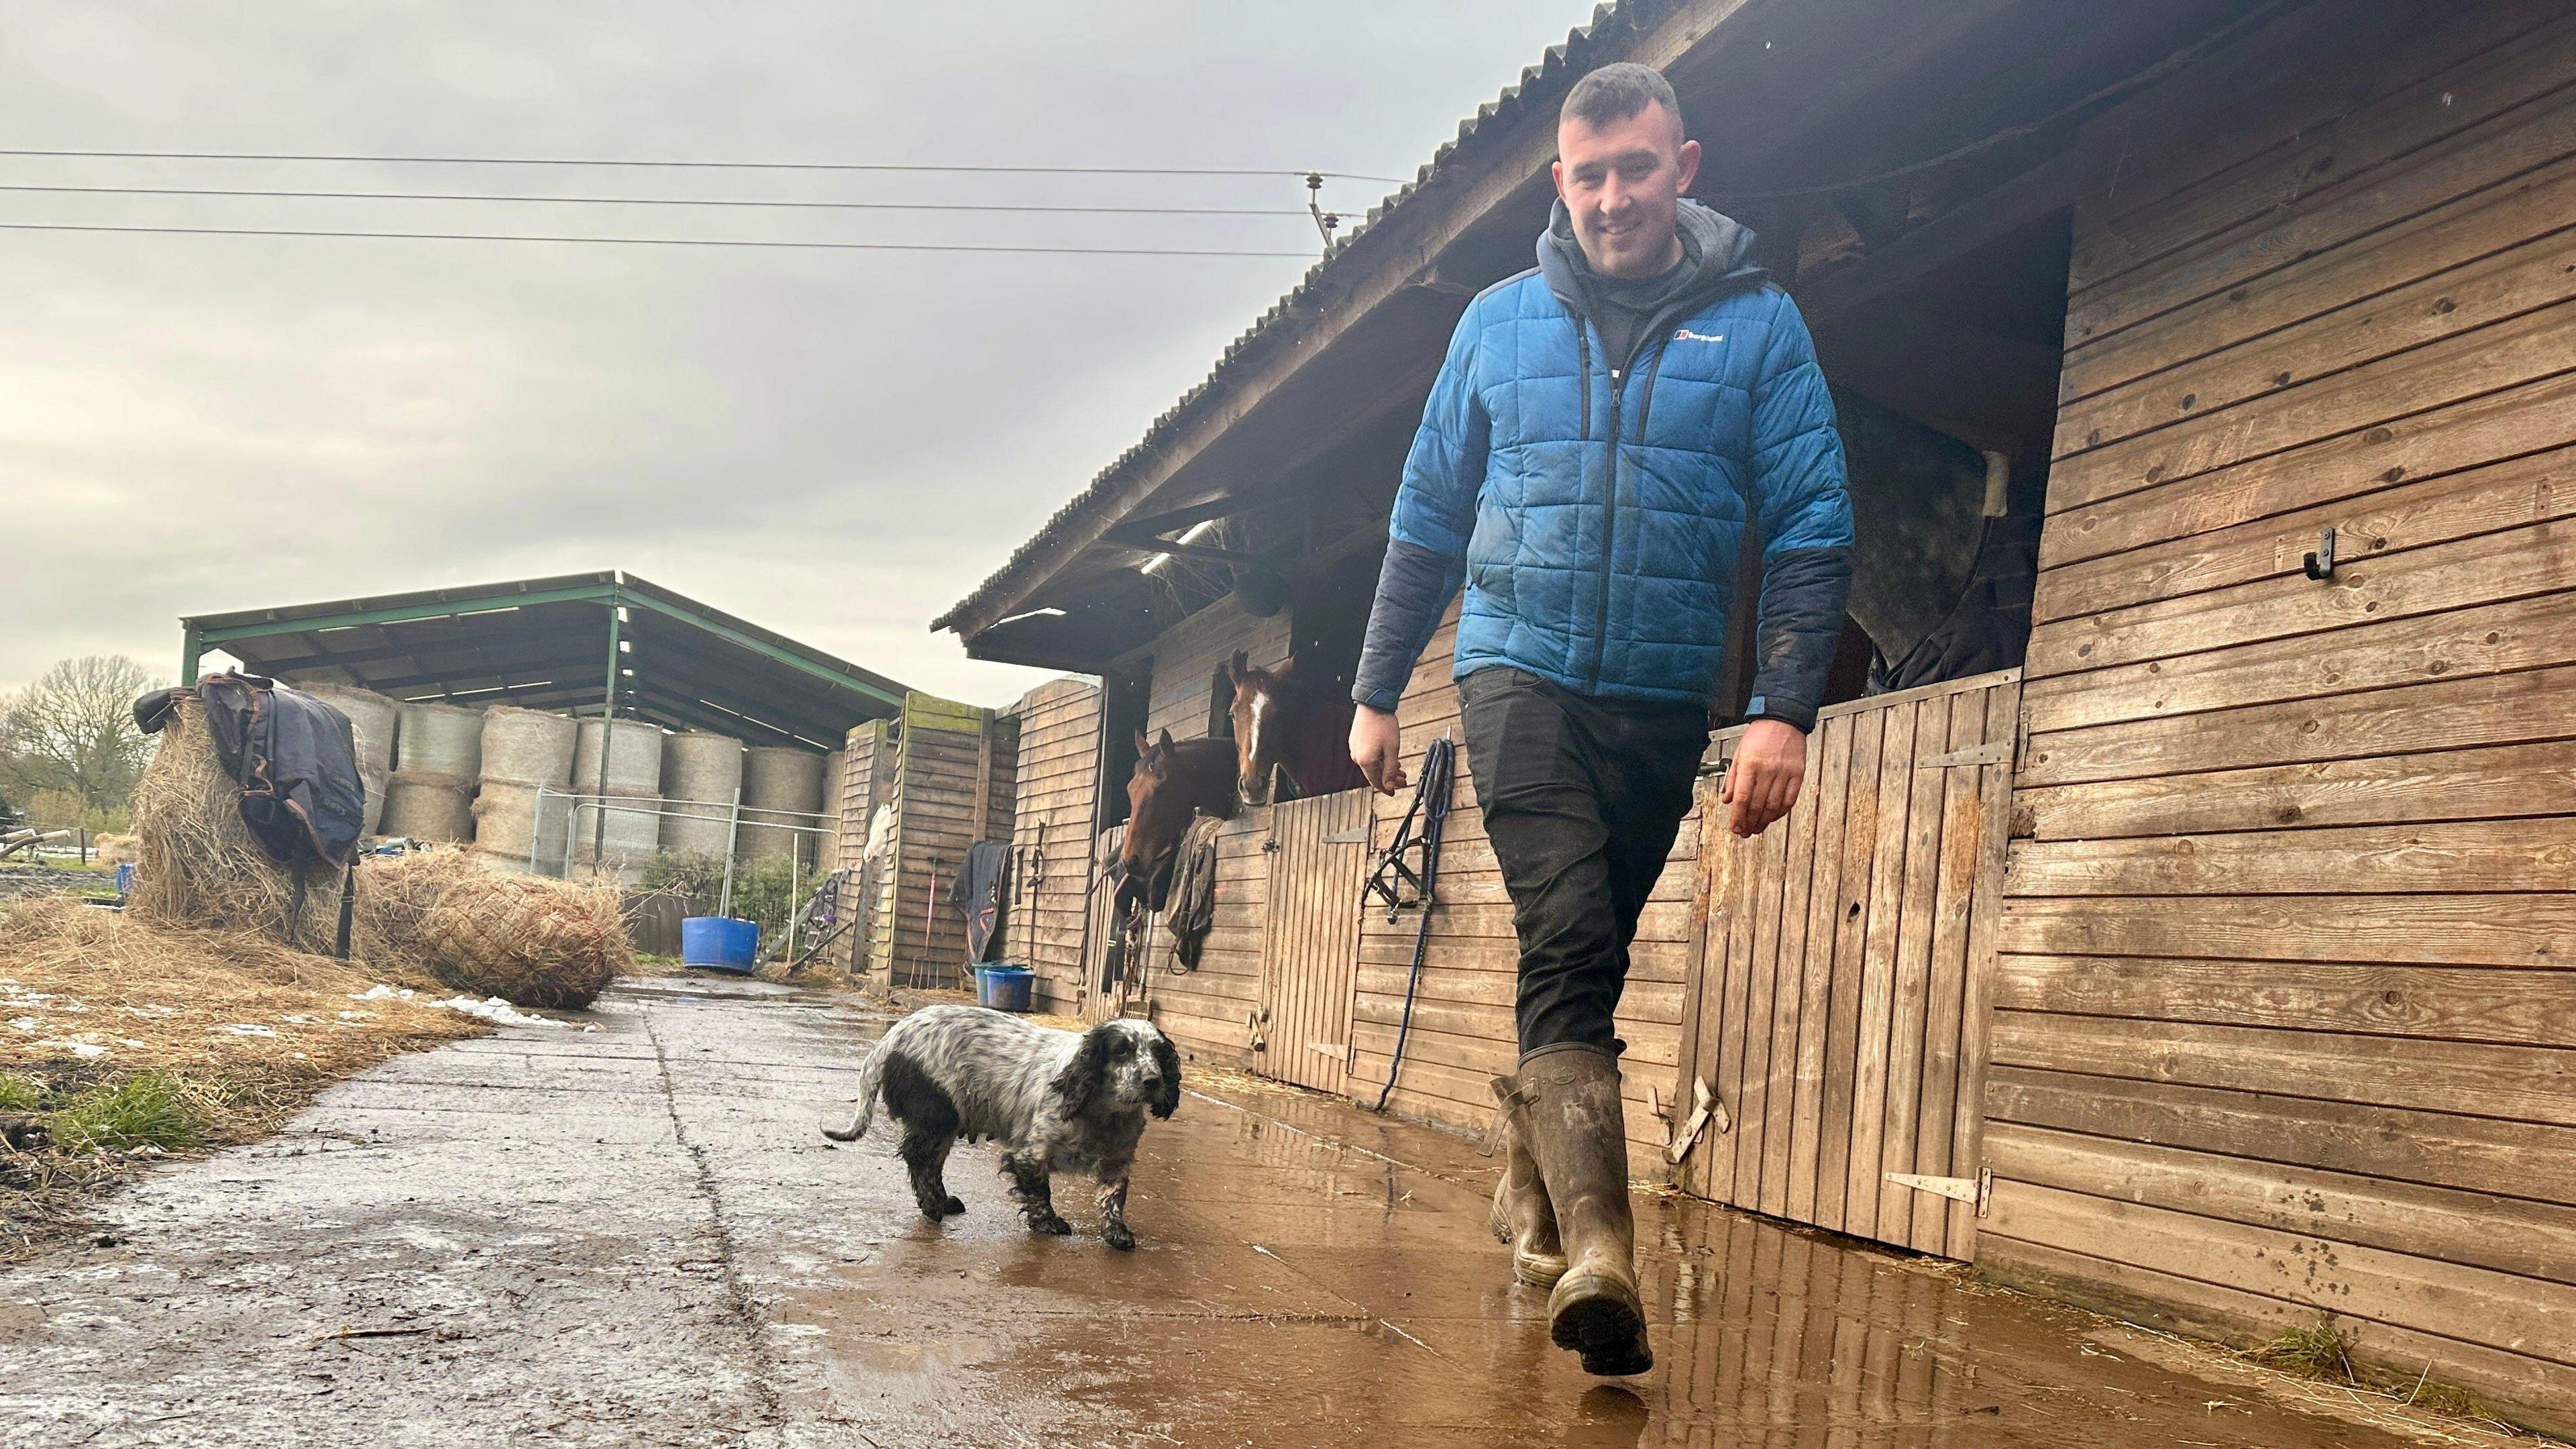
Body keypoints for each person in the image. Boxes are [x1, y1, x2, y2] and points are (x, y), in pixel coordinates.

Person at [1346, 62, 1852, 1377]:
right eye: (1590, 174)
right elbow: (1424, 517)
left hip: (1660, 697)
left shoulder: (1760, 328)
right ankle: (1605, 1251)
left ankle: (1531, 1189)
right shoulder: (1495, 324)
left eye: (1636, 167)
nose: (1614, 196)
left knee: (1583, 961)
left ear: (1683, 167)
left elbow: (1810, 523)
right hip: (1515, 673)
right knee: (1567, 927)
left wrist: (1779, 710)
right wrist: (1373, 689)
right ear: (1557, 185)